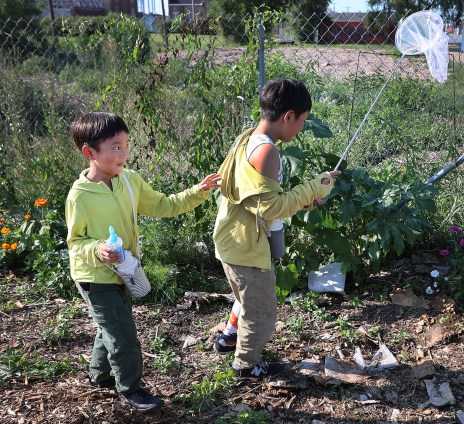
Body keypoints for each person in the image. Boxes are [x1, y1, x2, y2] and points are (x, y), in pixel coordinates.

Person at [65, 112, 221, 413]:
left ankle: (98, 376)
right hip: (94, 276)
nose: (123, 153)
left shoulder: (130, 181)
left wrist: (198, 192)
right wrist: (98, 249)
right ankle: (131, 389)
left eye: (125, 145)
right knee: (122, 334)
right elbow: (75, 242)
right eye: (115, 147)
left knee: (110, 326)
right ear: (90, 152)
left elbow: (163, 204)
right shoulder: (79, 196)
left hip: (124, 270)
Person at [213, 78, 340, 380]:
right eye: (302, 122)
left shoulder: (248, 137)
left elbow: (259, 196)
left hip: (230, 237)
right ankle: (245, 365)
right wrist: (314, 187)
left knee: (247, 297)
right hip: (247, 245)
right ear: (288, 116)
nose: (301, 129)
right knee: (262, 312)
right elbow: (270, 209)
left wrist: (302, 200)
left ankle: (229, 337)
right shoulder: (268, 152)